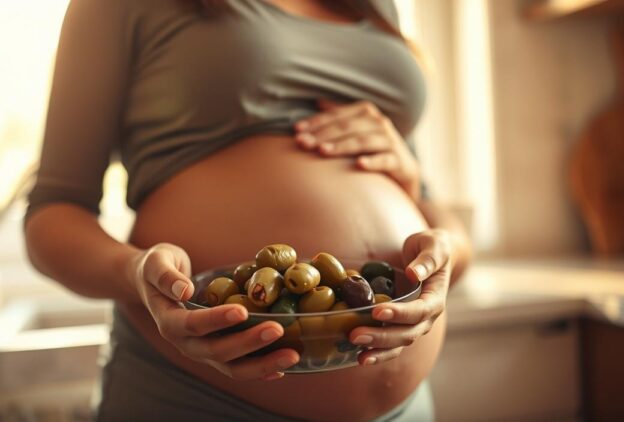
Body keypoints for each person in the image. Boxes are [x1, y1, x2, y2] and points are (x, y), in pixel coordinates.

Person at [24, 0, 472, 420]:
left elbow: (437, 221)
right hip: (195, 399)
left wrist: (436, 237)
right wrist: (135, 273)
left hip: (408, 406)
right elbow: (52, 214)